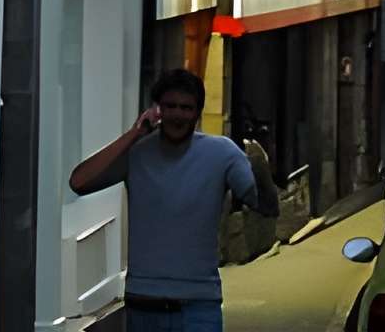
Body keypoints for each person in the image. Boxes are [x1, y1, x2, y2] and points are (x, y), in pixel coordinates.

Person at [70, 67, 278, 332]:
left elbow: (264, 205)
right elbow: (79, 182)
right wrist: (135, 133)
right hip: (143, 305)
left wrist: (259, 169)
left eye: (186, 108)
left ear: (197, 113)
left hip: (198, 307)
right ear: (157, 110)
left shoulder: (223, 153)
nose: (178, 115)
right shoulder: (138, 153)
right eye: (170, 106)